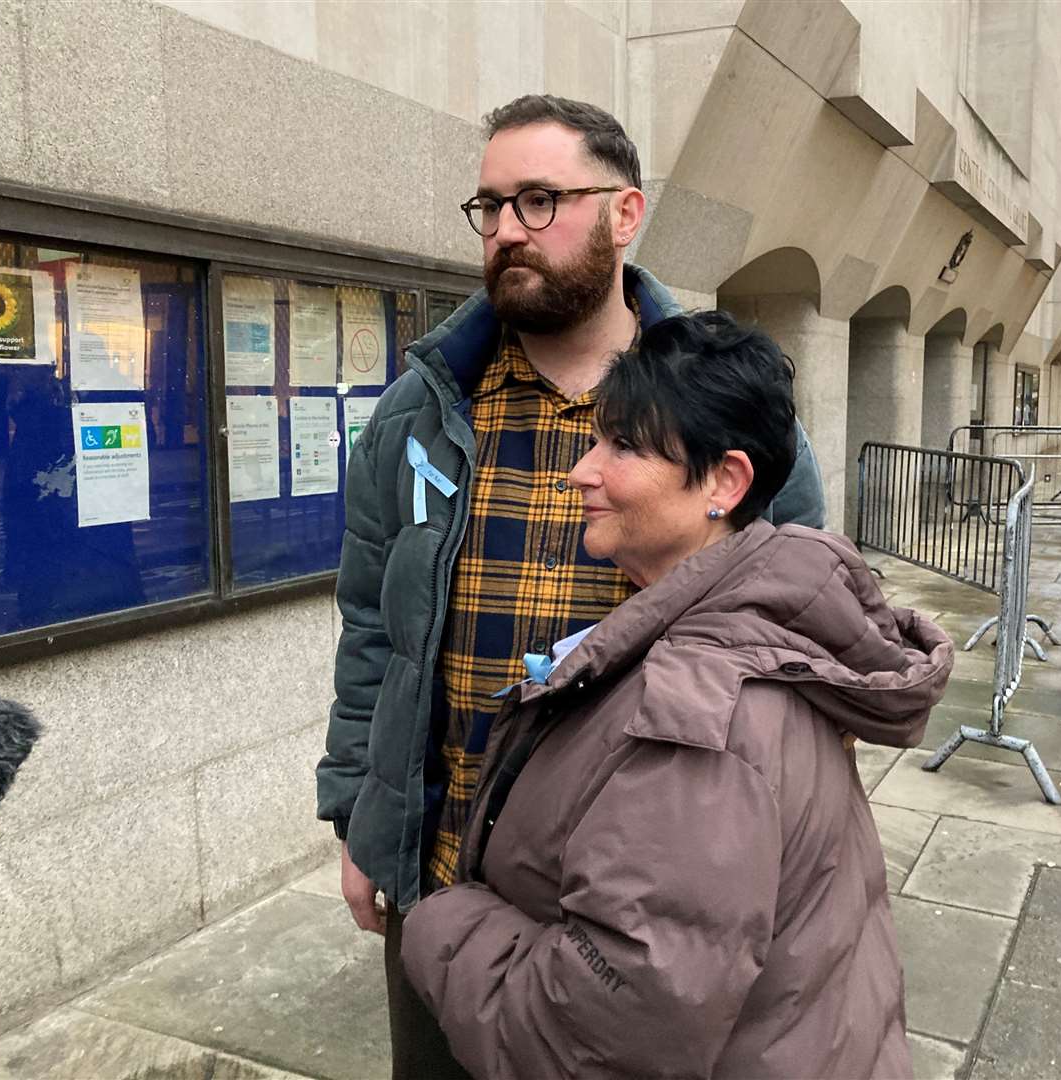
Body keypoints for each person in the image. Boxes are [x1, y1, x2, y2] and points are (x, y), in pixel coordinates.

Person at [314, 95, 825, 1078]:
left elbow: (800, 646)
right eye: (491, 206)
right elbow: (374, 634)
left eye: (541, 201)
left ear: (626, 215)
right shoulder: (417, 417)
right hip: (445, 882)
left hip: (641, 908)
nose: (507, 230)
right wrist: (361, 821)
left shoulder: (731, 413)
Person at [402, 311, 952, 1080]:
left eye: (622, 446)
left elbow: (596, 1035)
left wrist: (441, 922)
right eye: (597, 439)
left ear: (724, 482)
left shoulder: (701, 717)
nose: (581, 470)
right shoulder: (744, 627)